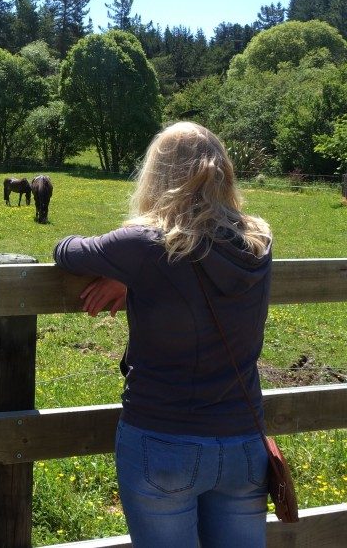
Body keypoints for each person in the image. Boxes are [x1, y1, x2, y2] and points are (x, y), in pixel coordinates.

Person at [53, 121, 273, 547]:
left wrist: (129, 273)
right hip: (244, 442)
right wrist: (136, 277)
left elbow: (65, 250)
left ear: (158, 175)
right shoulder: (258, 241)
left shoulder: (143, 245)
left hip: (163, 439)